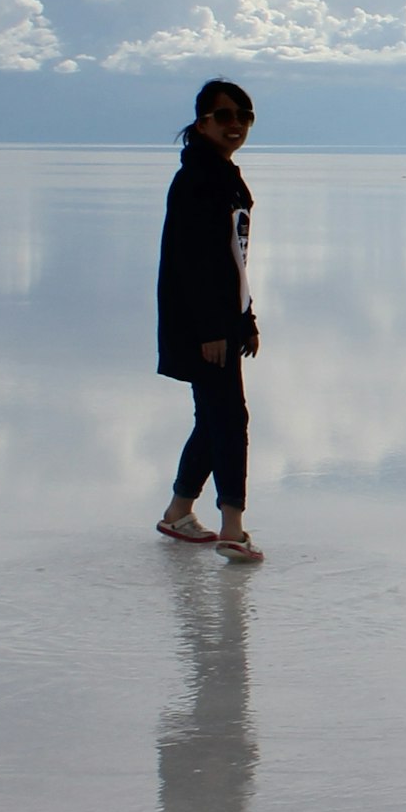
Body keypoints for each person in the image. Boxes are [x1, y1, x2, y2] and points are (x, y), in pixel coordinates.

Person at [155, 78, 264, 564]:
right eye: (225, 116)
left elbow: (232, 258)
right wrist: (211, 329)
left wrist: (246, 318)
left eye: (244, 116)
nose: (236, 124)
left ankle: (179, 512)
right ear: (202, 122)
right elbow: (194, 261)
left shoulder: (221, 174)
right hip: (203, 325)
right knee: (229, 418)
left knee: (215, 417)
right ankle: (233, 527)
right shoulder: (198, 178)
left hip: (222, 320)